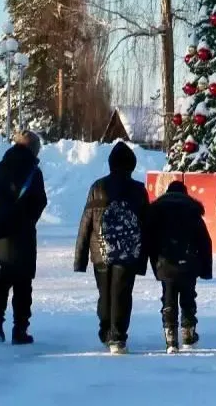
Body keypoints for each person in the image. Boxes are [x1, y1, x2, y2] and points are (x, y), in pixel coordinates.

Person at [74, 141, 149, 354]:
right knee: (122, 294)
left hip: (101, 252)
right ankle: (118, 337)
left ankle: (106, 328)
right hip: (128, 253)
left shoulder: (98, 187)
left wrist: (80, 259)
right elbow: (146, 225)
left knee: (105, 293)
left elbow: (86, 223)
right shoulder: (138, 190)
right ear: (131, 165)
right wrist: (143, 260)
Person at [0, 131, 48, 345]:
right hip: (22, 234)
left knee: (1, 281)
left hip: (0, 233)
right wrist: (28, 220)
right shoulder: (33, 172)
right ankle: (20, 330)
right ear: (32, 149)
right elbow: (40, 201)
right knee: (23, 284)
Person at [147, 180, 213, 352]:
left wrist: (156, 266)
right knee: (188, 298)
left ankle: (170, 338)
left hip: (165, 263)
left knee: (168, 298)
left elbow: (150, 241)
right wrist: (205, 269)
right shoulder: (192, 211)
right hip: (189, 263)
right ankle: (188, 335)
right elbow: (205, 242)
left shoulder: (157, 211)